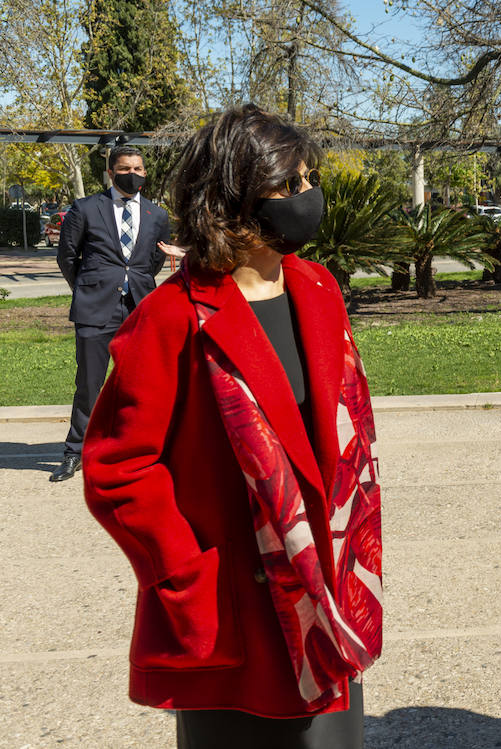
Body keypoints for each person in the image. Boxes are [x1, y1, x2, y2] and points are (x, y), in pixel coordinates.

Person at [81, 105, 382, 748]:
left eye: (309, 181)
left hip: (324, 599)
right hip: (235, 611)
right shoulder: (170, 319)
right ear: (233, 201)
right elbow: (117, 469)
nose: (308, 198)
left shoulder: (319, 289)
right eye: (289, 185)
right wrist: (187, 575)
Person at [51, 146, 171, 483]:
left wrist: (133, 284)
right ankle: (74, 452)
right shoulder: (86, 208)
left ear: (144, 172)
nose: (132, 173)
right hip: (95, 309)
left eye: (137, 167)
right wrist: (89, 289)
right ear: (111, 173)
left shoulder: (157, 216)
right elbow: (67, 257)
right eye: (125, 168)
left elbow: (152, 263)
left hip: (139, 310)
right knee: (89, 384)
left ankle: (137, 451)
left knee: (140, 385)